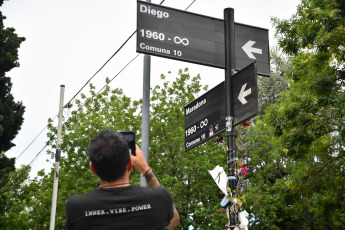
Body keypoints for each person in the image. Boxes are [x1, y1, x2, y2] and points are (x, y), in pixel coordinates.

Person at [65, 129, 180, 229]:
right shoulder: (159, 197)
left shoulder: (76, 206)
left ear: (93, 169)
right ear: (130, 164)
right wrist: (145, 169)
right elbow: (173, 221)